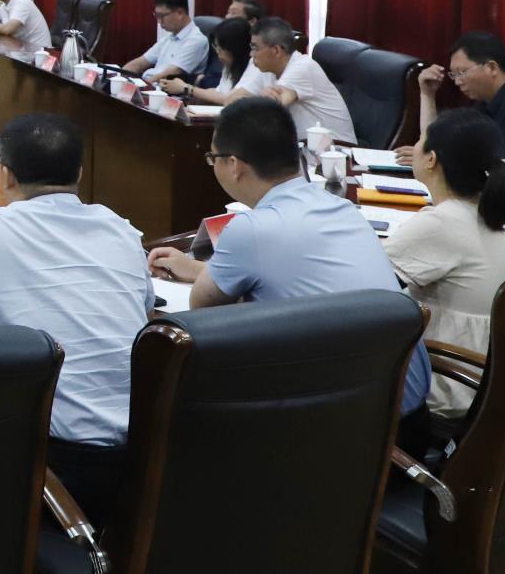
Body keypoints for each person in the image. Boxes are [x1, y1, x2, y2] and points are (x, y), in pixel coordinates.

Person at [147, 98, 431, 426]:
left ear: (234, 164)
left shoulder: (251, 229)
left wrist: (205, 276)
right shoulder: (341, 207)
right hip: (407, 410)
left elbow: (203, 309)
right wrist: (196, 269)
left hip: (342, 424)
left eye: (213, 158)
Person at [0, 113, 150, 522]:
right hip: (143, 450)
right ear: (80, 173)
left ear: (5, 174)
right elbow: (144, 309)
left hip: (53, 460)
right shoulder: (120, 228)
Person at [383, 108, 505, 419]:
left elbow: (370, 281)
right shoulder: (486, 214)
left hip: (446, 383)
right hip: (484, 380)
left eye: (420, 140)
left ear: (431, 160)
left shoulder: (441, 223)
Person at [397, 32, 505, 207]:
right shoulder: (482, 104)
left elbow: (503, 181)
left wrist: (439, 159)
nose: (457, 82)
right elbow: (434, 142)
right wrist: (427, 94)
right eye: (453, 75)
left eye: (462, 72)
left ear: (491, 68)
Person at [247, 17, 357, 143]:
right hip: (307, 147)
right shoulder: (270, 69)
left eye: (255, 49)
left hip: (337, 149)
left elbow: (274, 105)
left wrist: (267, 100)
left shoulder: (303, 67)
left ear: (276, 50)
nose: (251, 54)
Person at [159, 17, 272, 106]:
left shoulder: (256, 65)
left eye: (220, 49)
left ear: (234, 49)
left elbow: (229, 99)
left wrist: (186, 88)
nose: (218, 54)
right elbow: (219, 92)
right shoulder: (231, 66)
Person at [122, 0, 209, 82]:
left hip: (162, 87)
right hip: (149, 84)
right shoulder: (168, 38)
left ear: (180, 13)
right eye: (156, 16)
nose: (159, 21)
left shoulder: (196, 40)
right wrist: (121, 77)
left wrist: (142, 86)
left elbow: (170, 74)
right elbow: (140, 63)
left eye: (161, 16)